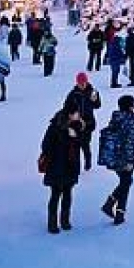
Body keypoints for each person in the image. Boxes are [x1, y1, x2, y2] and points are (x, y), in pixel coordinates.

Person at [40, 98, 83, 233]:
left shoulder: (77, 126)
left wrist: (76, 136)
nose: (78, 115)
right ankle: (52, 223)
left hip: (70, 166)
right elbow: (45, 145)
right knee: (56, 194)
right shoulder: (55, 126)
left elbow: (81, 143)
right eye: (76, 113)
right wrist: (66, 138)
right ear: (70, 113)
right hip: (56, 166)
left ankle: (65, 221)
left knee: (68, 194)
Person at [99, 94, 134, 225]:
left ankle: (117, 210)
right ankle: (115, 209)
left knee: (125, 182)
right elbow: (128, 141)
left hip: (114, 157)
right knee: (126, 182)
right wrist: (129, 161)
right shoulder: (130, 120)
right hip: (125, 157)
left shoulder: (116, 117)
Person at [64, 72, 101, 169]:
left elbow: (97, 106)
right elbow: (66, 108)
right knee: (75, 145)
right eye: (80, 83)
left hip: (88, 123)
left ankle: (87, 163)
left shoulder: (92, 92)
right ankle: (77, 166)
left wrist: (95, 100)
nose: (82, 85)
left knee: (85, 144)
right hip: (76, 124)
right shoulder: (73, 94)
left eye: (84, 83)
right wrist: (71, 114)